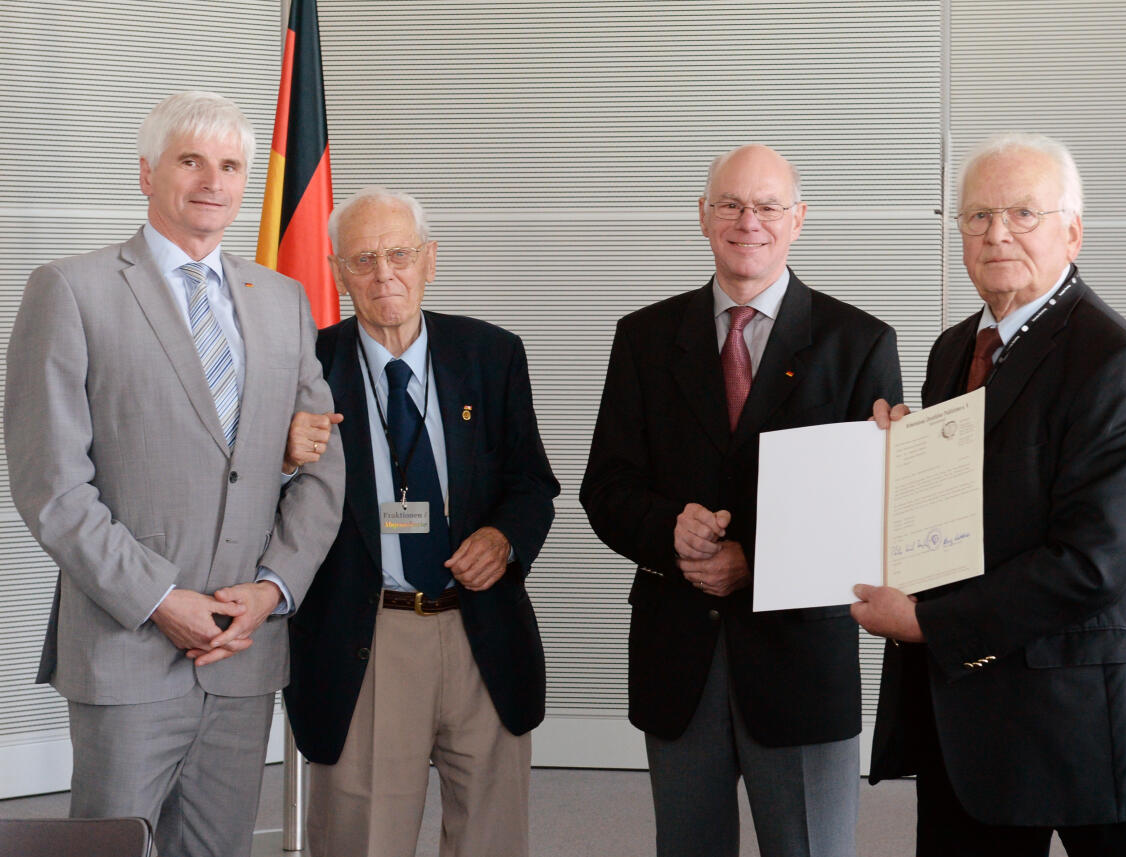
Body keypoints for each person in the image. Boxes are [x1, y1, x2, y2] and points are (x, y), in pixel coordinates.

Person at [3, 91, 345, 857]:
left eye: (230, 166)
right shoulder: (71, 290)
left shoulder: (283, 301)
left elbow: (323, 469)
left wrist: (271, 589)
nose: (212, 182)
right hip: (128, 651)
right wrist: (160, 599)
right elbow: (52, 486)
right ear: (147, 172)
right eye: (191, 160)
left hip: (245, 648)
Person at [853, 132, 1126, 856]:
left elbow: (1091, 564)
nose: (996, 233)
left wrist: (928, 622)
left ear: (1072, 231)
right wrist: (900, 460)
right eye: (977, 217)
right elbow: (975, 499)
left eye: (1023, 214)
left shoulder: (1119, 365)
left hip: (1096, 717)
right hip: (976, 710)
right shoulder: (954, 349)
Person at [579, 144, 902, 857]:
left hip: (800, 664)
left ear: (798, 220)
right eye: (729, 203)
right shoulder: (643, 337)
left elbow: (867, 508)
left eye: (766, 206)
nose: (746, 220)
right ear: (702, 216)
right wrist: (670, 527)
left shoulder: (860, 342)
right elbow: (603, 488)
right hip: (679, 659)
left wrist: (751, 560)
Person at [283, 187, 559, 857]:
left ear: (430, 259)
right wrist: (285, 459)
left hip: (480, 627)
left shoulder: (491, 355)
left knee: (491, 836)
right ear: (338, 270)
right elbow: (263, 500)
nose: (385, 275)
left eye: (400, 254)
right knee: (364, 838)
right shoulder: (304, 367)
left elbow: (532, 484)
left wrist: (503, 537)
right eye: (365, 258)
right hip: (366, 634)